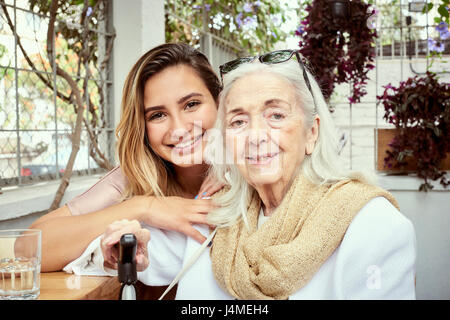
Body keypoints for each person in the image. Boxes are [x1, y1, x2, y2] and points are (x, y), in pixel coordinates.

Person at [65, 50, 416, 300]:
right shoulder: (215, 216)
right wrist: (118, 249)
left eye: (276, 115)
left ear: (312, 133)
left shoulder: (371, 224)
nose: (255, 135)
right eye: (238, 121)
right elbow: (125, 255)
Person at [29, 43, 224, 272]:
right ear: (142, 127)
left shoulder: (254, 161)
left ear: (220, 103)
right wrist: (144, 206)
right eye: (157, 115)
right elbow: (28, 249)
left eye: (191, 104)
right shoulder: (135, 176)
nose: (179, 128)